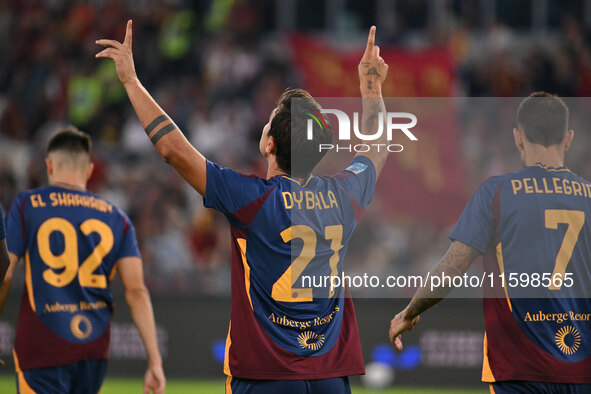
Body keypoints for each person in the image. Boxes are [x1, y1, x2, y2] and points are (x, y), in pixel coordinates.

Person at [96, 21, 389, 393]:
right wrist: (371, 85)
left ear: (269, 145)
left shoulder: (252, 198)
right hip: (329, 376)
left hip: (266, 375)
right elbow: (377, 147)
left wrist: (131, 82)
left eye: (268, 124)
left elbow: (173, 150)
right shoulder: (344, 195)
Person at [389, 92, 591, 393]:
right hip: (582, 370)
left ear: (518, 137)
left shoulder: (497, 193)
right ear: (569, 138)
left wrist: (410, 312)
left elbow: (453, 267)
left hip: (519, 370)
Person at [0, 128, 165, 394]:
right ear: (88, 170)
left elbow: (5, 272)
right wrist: (155, 361)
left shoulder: (27, 205)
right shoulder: (116, 218)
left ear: (49, 165)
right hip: (93, 348)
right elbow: (136, 291)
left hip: (42, 345)